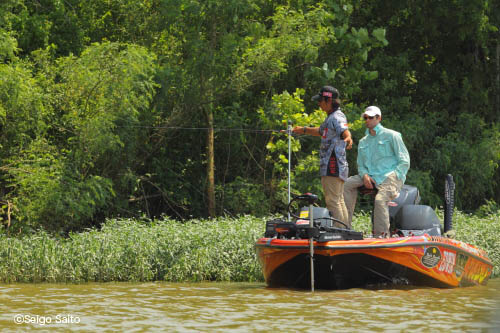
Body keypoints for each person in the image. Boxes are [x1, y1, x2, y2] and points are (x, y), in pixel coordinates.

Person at [343, 106, 410, 237]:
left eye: (370, 117)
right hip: (370, 176)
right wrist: (365, 176)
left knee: (380, 200)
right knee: (345, 185)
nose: (367, 120)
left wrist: (396, 177)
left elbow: (405, 161)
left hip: (390, 176)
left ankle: (381, 236)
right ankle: (344, 229)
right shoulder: (363, 142)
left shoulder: (393, 135)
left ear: (379, 118)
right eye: (365, 118)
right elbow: (360, 165)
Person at [292, 86, 353, 227]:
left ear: (329, 100)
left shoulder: (337, 117)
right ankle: (345, 230)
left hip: (333, 164)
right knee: (338, 200)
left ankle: (340, 233)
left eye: (321, 100)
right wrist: (302, 130)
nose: (319, 104)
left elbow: (346, 132)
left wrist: (348, 139)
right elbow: (321, 131)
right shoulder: (330, 118)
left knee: (333, 201)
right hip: (335, 166)